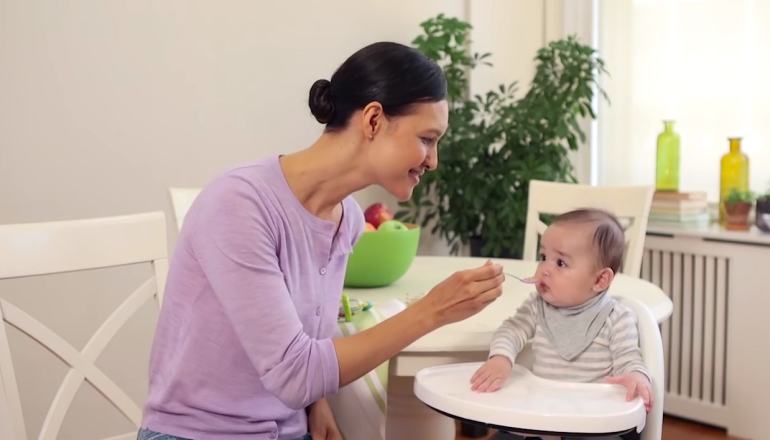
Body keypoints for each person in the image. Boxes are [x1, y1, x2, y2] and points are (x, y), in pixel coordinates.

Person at [137, 41, 505, 440]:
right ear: (373, 120)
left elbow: (303, 343)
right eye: (427, 139)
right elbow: (295, 373)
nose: (433, 161)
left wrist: (317, 402)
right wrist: (432, 310)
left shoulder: (346, 218)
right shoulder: (239, 203)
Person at [470, 208, 652, 440]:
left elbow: (629, 358)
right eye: (543, 257)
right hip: (544, 418)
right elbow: (512, 330)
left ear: (600, 279)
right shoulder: (536, 306)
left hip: (592, 425)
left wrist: (635, 376)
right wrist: (501, 358)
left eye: (561, 263)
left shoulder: (616, 317)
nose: (544, 269)